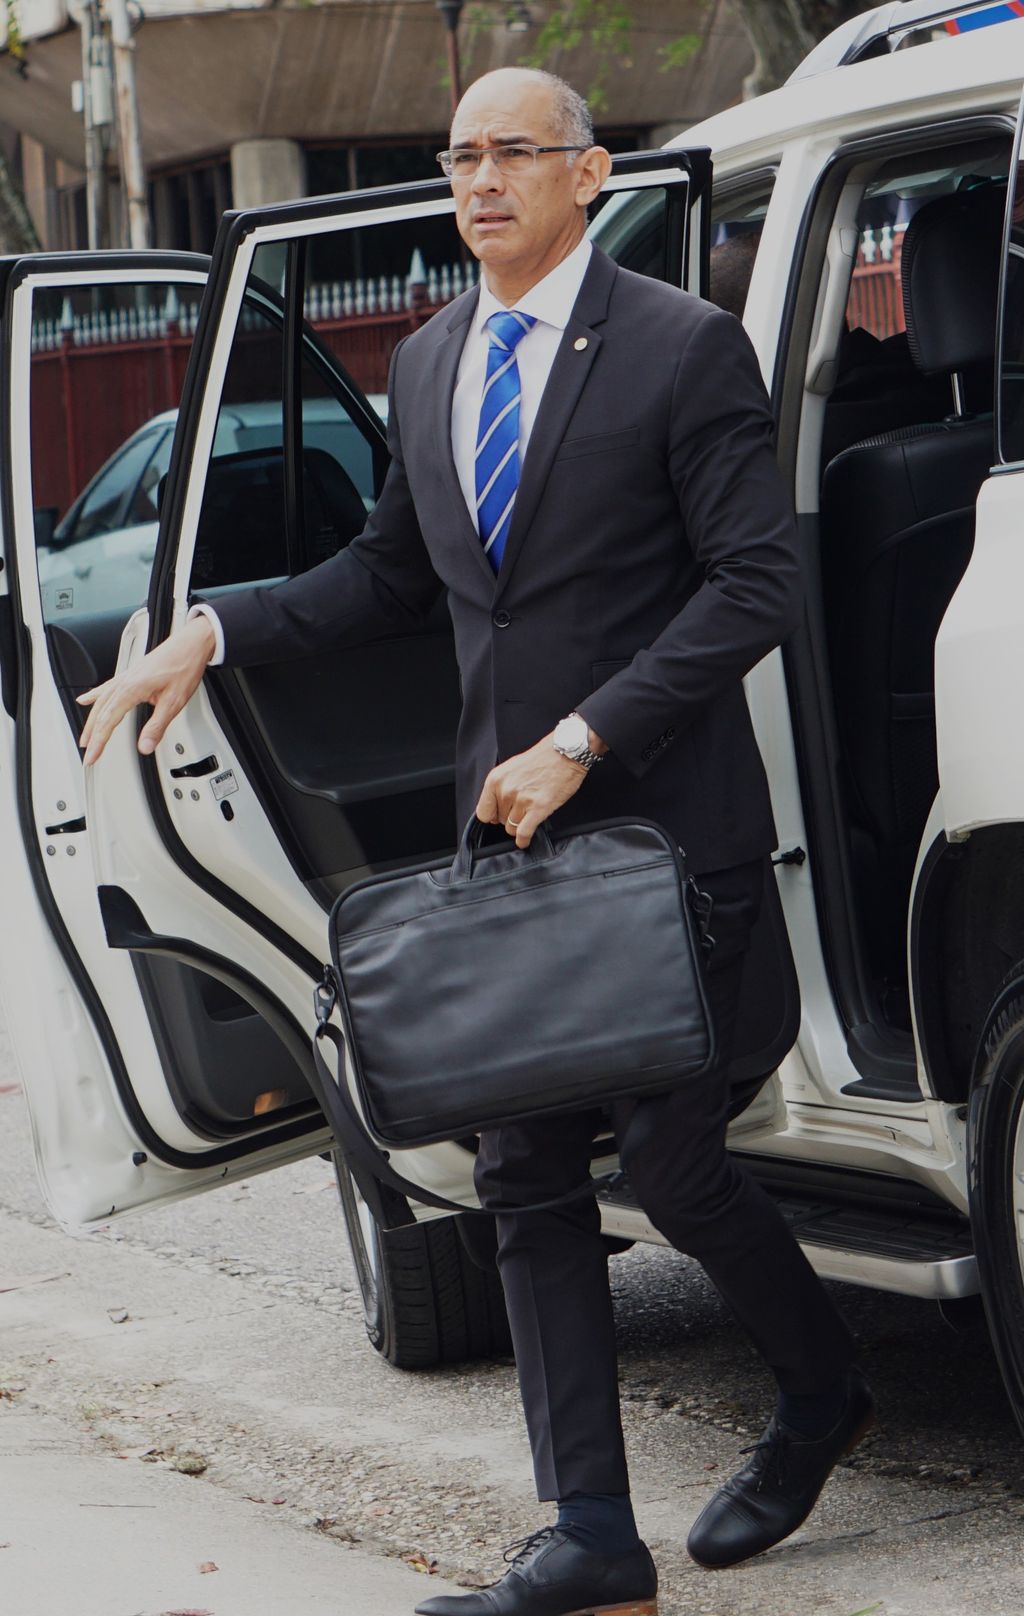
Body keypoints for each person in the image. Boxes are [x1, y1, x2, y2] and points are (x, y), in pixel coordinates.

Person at [79, 68, 873, 1616]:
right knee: (523, 1175)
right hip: (512, 856)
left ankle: (824, 1385)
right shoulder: (436, 356)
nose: (480, 178)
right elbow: (393, 576)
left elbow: (756, 586)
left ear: (590, 174)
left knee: (672, 1162)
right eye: (459, 157)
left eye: (513, 151)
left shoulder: (681, 346)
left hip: (667, 845)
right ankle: (590, 1538)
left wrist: (585, 738)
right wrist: (210, 635)